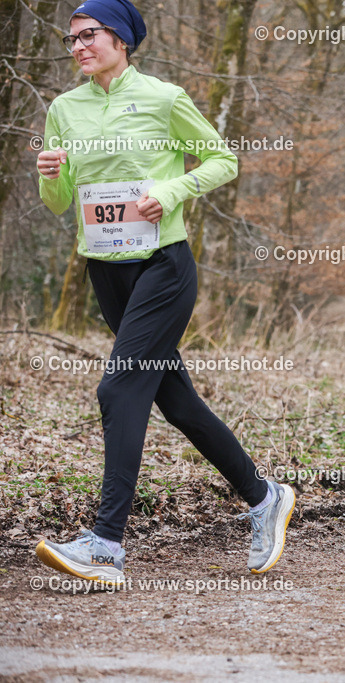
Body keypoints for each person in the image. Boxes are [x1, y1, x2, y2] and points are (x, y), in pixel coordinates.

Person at [33, 0, 293, 584]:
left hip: (162, 267)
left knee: (119, 386)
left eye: (89, 34)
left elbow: (223, 160)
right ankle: (264, 496)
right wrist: (50, 175)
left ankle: (106, 544)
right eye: (71, 38)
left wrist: (172, 191)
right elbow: (59, 202)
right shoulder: (64, 109)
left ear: (121, 39)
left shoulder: (164, 98)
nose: (78, 46)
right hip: (105, 270)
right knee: (175, 401)